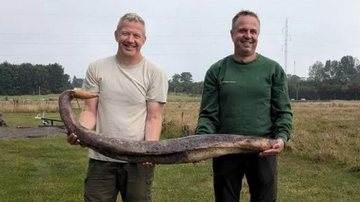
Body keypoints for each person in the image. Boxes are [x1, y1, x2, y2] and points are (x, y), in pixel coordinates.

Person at [67, 13, 168, 202]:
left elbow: (154, 117)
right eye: (125, 34)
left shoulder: (155, 73)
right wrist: (81, 132)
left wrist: (150, 149)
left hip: (137, 159)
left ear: (144, 40)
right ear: (116, 35)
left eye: (136, 36)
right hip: (101, 157)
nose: (130, 40)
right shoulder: (96, 68)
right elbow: (90, 110)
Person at [195, 10, 292, 202]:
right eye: (242, 31)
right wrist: (200, 140)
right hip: (225, 149)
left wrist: (282, 137)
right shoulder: (217, 70)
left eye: (253, 31)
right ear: (232, 34)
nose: (248, 36)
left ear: (258, 35)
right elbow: (208, 114)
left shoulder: (273, 70)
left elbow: (283, 111)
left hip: (263, 150)